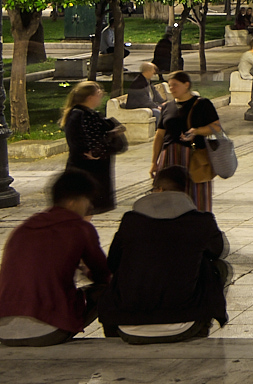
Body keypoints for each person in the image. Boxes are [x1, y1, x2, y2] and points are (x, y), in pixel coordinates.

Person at [98, 166, 229, 344]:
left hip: (127, 323)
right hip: (186, 322)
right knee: (216, 265)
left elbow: (113, 263)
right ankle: (203, 327)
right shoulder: (201, 221)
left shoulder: (131, 221)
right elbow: (220, 251)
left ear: (158, 189)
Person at [0, 170, 109, 347]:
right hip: (47, 331)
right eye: (88, 202)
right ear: (75, 202)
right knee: (107, 290)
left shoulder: (23, 229)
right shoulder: (79, 227)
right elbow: (103, 275)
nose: (89, 207)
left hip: (3, 330)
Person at [151, 72, 222, 213]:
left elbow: (216, 127)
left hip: (194, 156)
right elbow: (160, 135)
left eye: (175, 85)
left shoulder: (202, 104)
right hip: (170, 156)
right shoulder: (167, 107)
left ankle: (199, 224)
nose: (172, 88)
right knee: (169, 194)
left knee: (197, 195)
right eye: (170, 86)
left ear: (186, 85)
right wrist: (154, 161)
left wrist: (196, 131)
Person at [62, 81, 116, 214]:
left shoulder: (86, 114)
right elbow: (80, 143)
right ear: (90, 97)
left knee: (86, 210)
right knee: (83, 209)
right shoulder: (82, 115)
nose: (102, 95)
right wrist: (97, 153)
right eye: (99, 93)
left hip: (88, 170)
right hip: (87, 171)